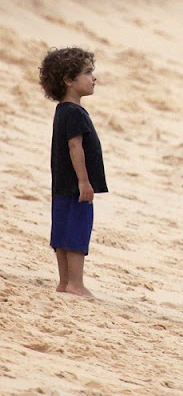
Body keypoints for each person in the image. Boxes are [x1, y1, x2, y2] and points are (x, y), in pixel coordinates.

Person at [39, 47, 108, 297]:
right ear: (69, 80)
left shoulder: (62, 111)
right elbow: (74, 146)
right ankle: (76, 283)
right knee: (77, 231)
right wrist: (84, 181)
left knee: (61, 231)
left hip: (60, 185)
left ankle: (64, 281)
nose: (94, 78)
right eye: (88, 73)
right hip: (75, 185)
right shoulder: (76, 113)